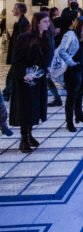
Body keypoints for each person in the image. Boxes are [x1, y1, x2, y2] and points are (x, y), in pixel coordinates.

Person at [9, 12, 51, 153]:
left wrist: (44, 69)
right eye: (45, 21)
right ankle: (24, 139)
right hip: (25, 80)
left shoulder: (45, 37)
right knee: (25, 109)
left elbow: (46, 57)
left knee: (34, 109)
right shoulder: (25, 38)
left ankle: (30, 134)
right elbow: (16, 59)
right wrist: (24, 74)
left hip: (38, 79)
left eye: (48, 21)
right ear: (37, 22)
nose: (48, 23)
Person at [59, 16, 83, 132]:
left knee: (80, 94)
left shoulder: (80, 36)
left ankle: (79, 116)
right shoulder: (70, 34)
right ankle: (69, 123)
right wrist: (71, 63)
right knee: (71, 97)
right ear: (79, 25)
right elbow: (62, 51)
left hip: (81, 70)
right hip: (72, 71)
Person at [3, 3, 29, 101]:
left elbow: (22, 40)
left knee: (11, 75)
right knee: (13, 75)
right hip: (16, 53)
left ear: (19, 10)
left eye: (14, 9)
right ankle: (9, 93)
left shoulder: (23, 22)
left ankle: (6, 94)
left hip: (18, 54)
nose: (12, 10)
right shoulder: (20, 21)